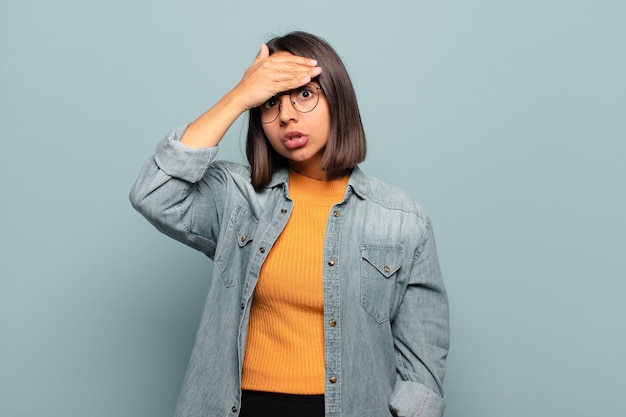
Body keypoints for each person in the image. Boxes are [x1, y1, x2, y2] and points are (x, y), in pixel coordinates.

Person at [130, 31, 449, 417]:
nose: (286, 115)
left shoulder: (401, 220)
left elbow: (422, 372)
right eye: (269, 103)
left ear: (338, 99)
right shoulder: (238, 198)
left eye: (304, 94)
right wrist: (239, 96)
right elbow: (154, 191)